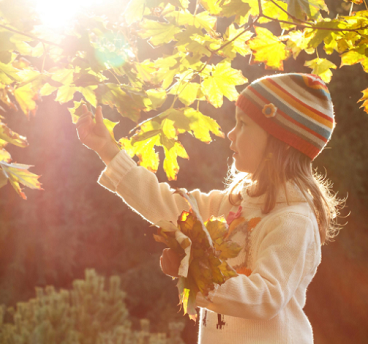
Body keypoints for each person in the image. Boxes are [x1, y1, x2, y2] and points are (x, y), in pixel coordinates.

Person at [76, 73, 342, 344]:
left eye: (243, 125)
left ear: (278, 141)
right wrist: (108, 151)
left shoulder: (293, 220)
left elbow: (266, 297)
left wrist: (191, 271)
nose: (231, 133)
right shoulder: (231, 203)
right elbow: (169, 206)